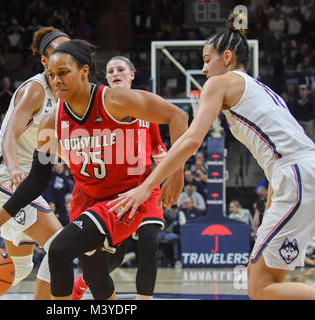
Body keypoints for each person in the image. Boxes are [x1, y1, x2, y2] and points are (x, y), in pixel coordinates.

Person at [108, 12, 315, 300]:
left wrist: (146, 187)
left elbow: (192, 139)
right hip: (300, 173)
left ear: (227, 57)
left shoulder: (220, 83)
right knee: (264, 281)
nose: (204, 69)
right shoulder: (261, 89)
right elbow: (279, 159)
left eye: (207, 60)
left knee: (261, 288)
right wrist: (271, 208)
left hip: (297, 176)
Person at [0, 39, 188, 300]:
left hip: (125, 197)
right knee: (94, 276)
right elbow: (37, 181)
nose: (56, 80)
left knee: (59, 249)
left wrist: (177, 173)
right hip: (88, 199)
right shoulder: (50, 121)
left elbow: (178, 117)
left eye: (63, 73)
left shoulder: (115, 100)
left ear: (84, 71)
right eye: (51, 75)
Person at [0, 27, 70, 300]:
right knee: (59, 245)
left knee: (20, 267)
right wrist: (14, 168)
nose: (65, 57)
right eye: (58, 52)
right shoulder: (36, 89)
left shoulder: (67, 92)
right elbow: (10, 134)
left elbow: (50, 145)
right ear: (45, 61)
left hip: (27, 181)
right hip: (2, 171)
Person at [72, 55, 168, 300]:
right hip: (113, 188)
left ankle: (144, 299)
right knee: (112, 257)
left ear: (132, 75)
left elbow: (156, 144)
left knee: (149, 243)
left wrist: (162, 155)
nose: (116, 73)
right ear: (106, 78)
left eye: (121, 69)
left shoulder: (147, 105)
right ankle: (84, 281)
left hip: (146, 184)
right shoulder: (99, 107)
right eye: (111, 70)